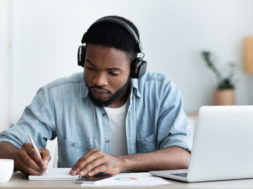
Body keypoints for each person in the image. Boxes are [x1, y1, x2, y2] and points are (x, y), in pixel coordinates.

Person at [0, 15, 192, 177]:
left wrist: (122, 163)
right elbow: (6, 145)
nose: (99, 80)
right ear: (82, 59)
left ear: (135, 69)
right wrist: (19, 158)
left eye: (113, 73)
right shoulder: (56, 95)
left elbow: (182, 156)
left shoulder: (161, 91)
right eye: (90, 68)